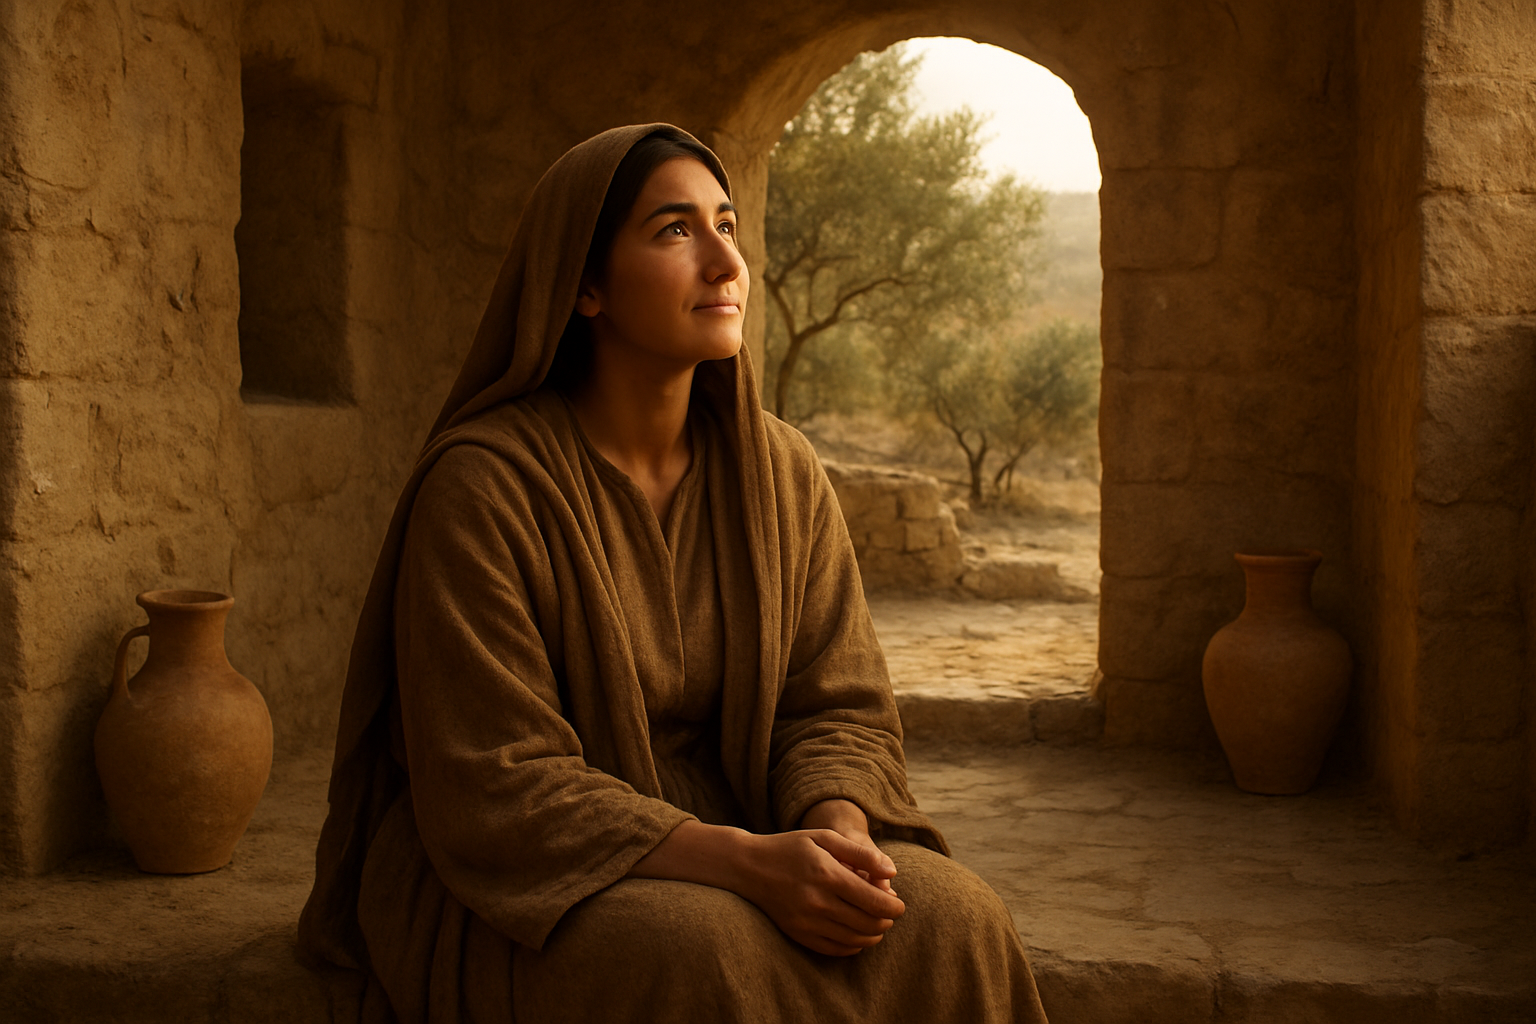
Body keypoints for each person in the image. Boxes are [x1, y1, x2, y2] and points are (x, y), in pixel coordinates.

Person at [299, 123, 1050, 1024]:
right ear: (584, 286)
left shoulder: (781, 475)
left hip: (756, 832)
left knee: (956, 918)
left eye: (725, 224)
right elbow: (499, 784)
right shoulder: (485, 489)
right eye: (674, 230)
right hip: (518, 881)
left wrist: (836, 834)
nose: (726, 263)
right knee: (704, 953)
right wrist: (744, 863)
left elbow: (837, 707)